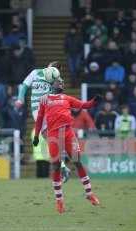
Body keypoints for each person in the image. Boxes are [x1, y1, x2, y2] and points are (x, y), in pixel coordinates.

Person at [33, 78, 101, 214]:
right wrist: (36, 135)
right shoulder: (45, 99)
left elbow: (85, 105)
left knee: (78, 162)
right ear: (52, 85)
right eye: (59, 82)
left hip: (68, 133)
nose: (62, 83)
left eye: (63, 82)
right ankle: (59, 201)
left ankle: (89, 194)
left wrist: (95, 101)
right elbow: (40, 119)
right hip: (53, 135)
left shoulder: (67, 98)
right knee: (56, 166)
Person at [18, 62, 71, 182]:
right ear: (48, 66)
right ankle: (62, 164)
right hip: (37, 110)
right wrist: (20, 98)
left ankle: (62, 163)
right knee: (49, 137)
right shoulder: (35, 73)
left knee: (50, 136)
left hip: (48, 108)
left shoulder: (56, 79)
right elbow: (24, 86)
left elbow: (59, 93)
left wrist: (58, 86)